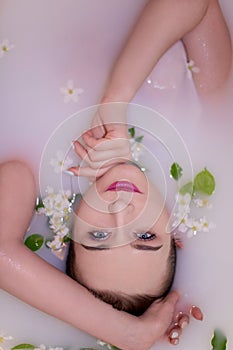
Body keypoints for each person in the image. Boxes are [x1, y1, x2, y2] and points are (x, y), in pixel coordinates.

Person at [0, 0, 231, 349]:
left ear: (70, 231)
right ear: (175, 231)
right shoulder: (211, 111)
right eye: (145, 236)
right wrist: (116, 99)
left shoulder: (34, 166)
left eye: (98, 236)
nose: (121, 209)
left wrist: (125, 332)